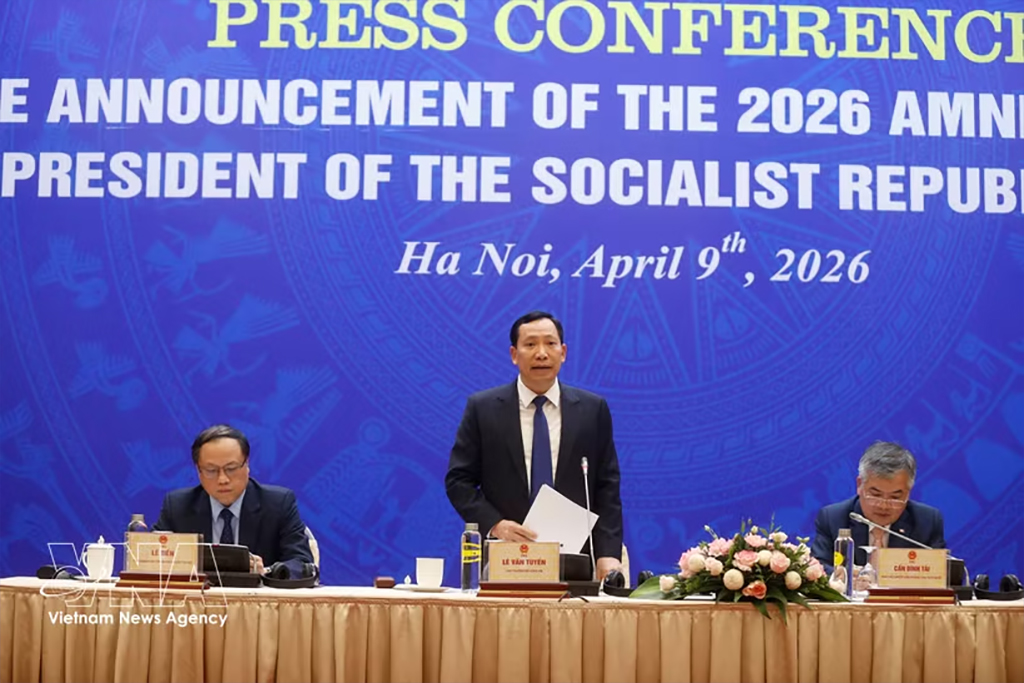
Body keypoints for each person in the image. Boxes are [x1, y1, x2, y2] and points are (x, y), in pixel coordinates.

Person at [445, 311, 624, 581]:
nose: (541, 353)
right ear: (514, 354)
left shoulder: (591, 409)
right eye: (530, 345)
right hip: (506, 557)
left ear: (563, 352)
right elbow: (458, 481)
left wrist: (607, 553)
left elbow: (606, 487)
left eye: (550, 344)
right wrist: (496, 524)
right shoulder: (483, 409)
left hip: (574, 560)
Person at [154, 424, 313, 574]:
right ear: (198, 471)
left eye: (231, 469)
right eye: (211, 470)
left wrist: (267, 571)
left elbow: (302, 564)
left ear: (247, 465)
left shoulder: (278, 503)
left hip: (258, 600)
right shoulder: (177, 506)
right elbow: (152, 561)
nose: (222, 479)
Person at [811, 441, 946, 570]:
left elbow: (940, 572)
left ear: (908, 492)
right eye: (875, 495)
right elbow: (819, 565)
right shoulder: (833, 518)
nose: (884, 506)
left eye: (895, 497)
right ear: (859, 485)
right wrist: (846, 577)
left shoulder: (927, 521)